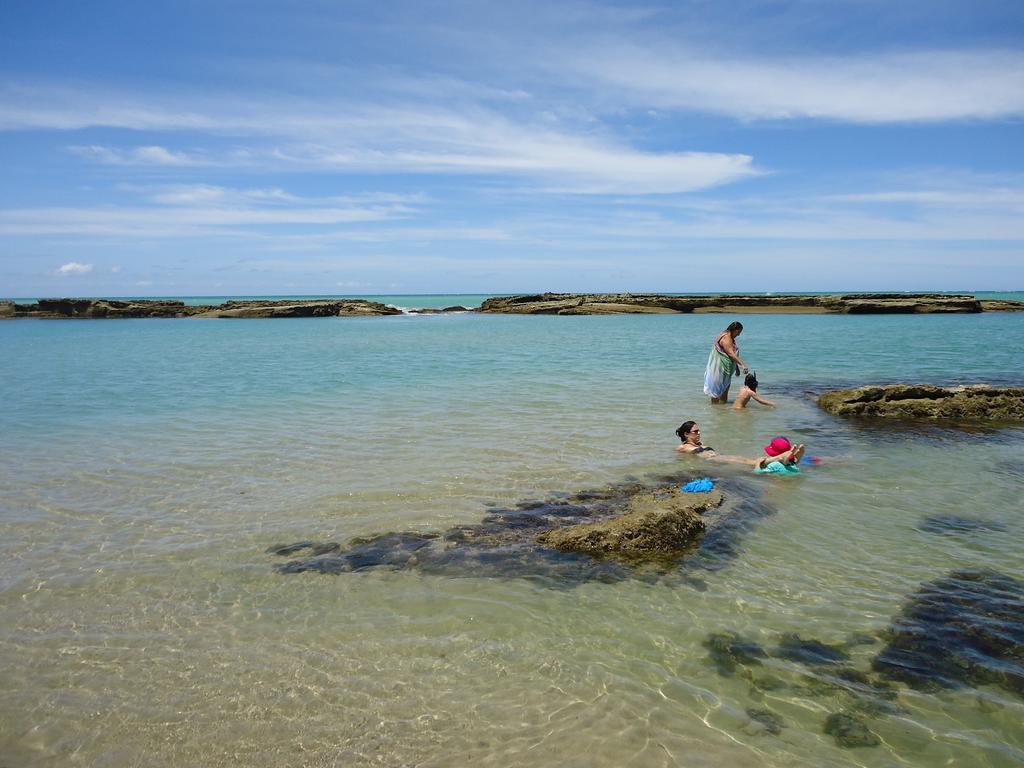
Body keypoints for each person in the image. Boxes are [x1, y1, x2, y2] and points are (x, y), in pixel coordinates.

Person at [675, 421, 805, 472]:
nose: (699, 433)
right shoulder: (683, 447)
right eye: (695, 431)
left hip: (720, 457)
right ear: (686, 434)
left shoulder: (701, 444)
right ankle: (782, 457)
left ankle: (787, 459)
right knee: (750, 463)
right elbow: (680, 459)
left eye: (699, 430)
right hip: (713, 460)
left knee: (747, 460)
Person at [704, 321, 749, 404]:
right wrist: (743, 364)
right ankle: (715, 410)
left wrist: (736, 367)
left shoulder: (729, 336)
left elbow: (727, 354)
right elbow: (730, 353)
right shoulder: (726, 338)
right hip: (719, 369)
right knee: (716, 393)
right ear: (734, 329)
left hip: (725, 370)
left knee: (725, 390)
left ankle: (723, 411)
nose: (739, 335)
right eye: (738, 332)